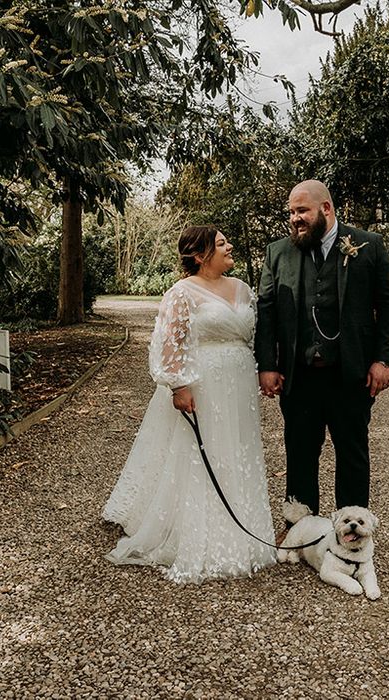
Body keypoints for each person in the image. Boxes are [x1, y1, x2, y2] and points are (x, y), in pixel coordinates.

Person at [103, 225, 277, 584]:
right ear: (200, 256)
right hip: (204, 385)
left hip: (239, 385)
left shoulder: (242, 288)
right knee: (203, 454)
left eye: (227, 240)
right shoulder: (181, 293)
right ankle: (199, 533)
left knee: (238, 452)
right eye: (220, 243)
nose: (229, 246)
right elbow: (170, 345)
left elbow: (256, 336)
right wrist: (178, 385)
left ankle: (244, 528)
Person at [254, 180, 389, 543]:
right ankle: (301, 534)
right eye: (291, 212)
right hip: (299, 376)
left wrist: (383, 360)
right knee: (300, 453)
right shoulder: (278, 253)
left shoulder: (369, 246)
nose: (295, 219)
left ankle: (351, 534)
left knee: (352, 453)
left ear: (326, 209)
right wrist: (267, 365)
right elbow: (267, 310)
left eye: (301, 211)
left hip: (349, 374)